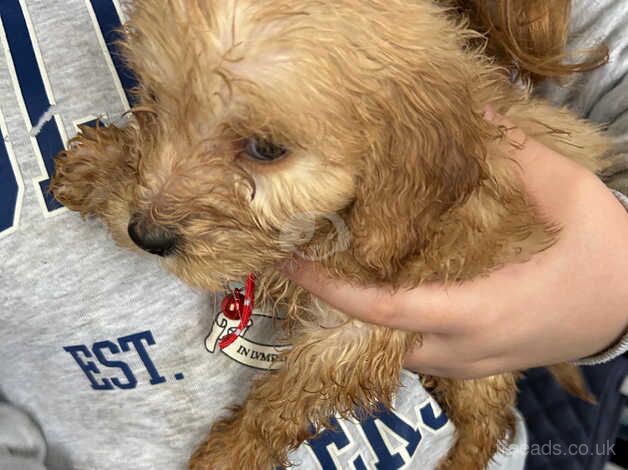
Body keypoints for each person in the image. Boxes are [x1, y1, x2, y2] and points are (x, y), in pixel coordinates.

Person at [0, 1, 625, 470]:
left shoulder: (420, 143)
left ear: (404, 155)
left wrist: (613, 282)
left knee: (465, 401)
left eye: (264, 148)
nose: (153, 212)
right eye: (155, 98)